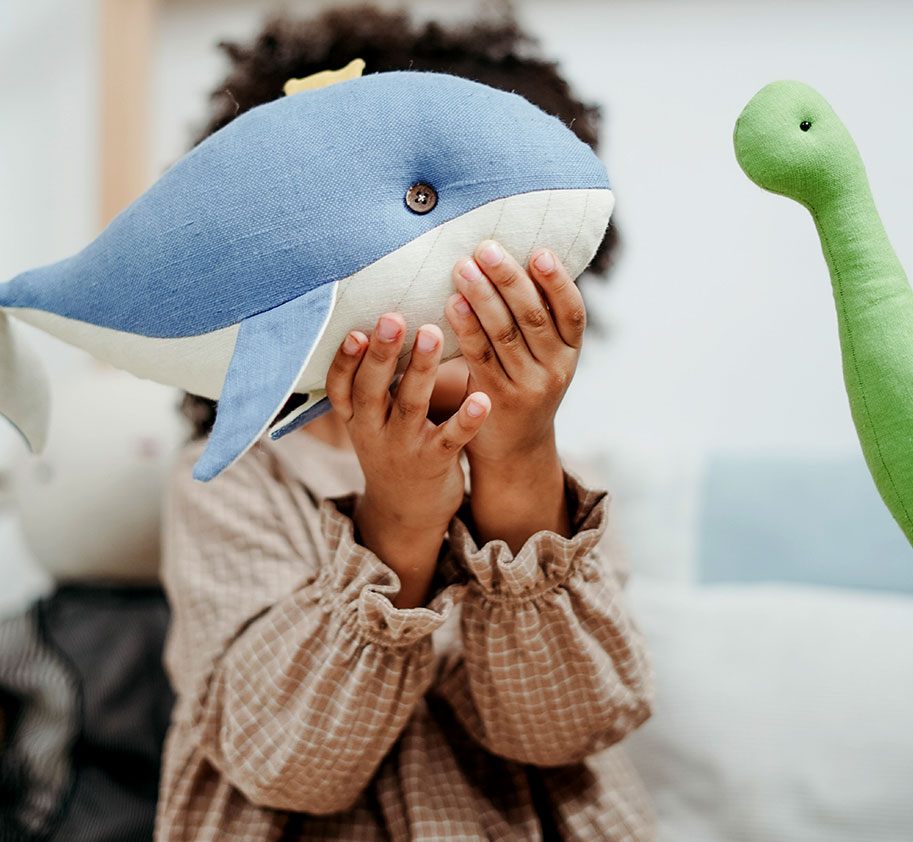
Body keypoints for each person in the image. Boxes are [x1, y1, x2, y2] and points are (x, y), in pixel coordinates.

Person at [156, 7, 654, 841]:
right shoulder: (236, 479)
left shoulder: (570, 492)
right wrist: (396, 522)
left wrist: (521, 466)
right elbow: (289, 765)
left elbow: (565, 729)